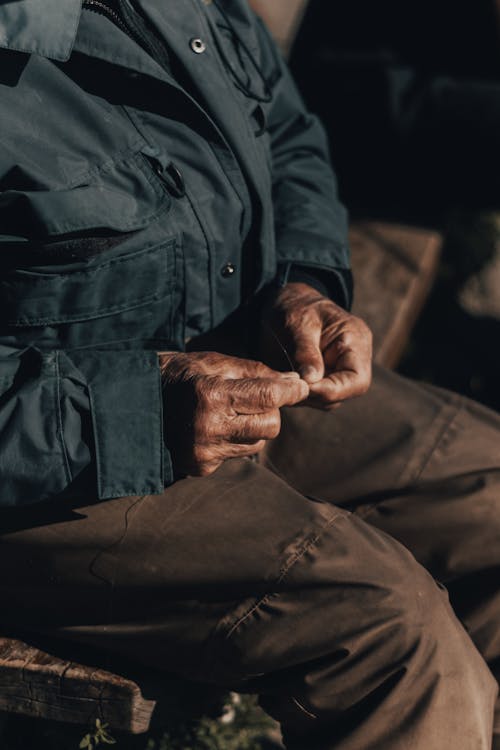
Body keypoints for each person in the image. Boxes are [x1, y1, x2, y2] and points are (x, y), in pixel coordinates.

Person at [0, 2, 499, 748]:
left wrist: (302, 284)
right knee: (391, 632)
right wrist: (133, 411)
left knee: (489, 490)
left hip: (232, 359)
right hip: (53, 468)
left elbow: (287, 131)